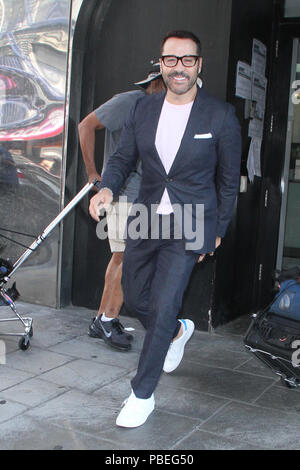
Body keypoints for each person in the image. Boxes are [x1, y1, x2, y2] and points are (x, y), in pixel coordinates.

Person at [89, 30, 241, 427]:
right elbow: (122, 158)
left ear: (199, 65)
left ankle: (142, 394)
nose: (178, 68)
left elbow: (227, 182)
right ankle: (176, 331)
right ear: (161, 63)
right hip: (146, 216)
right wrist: (106, 187)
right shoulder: (144, 109)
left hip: (191, 223)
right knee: (138, 297)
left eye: (187, 60)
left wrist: (217, 230)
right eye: (171, 60)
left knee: (166, 300)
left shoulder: (220, 115)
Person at [78, 65, 165, 352]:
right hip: (124, 195)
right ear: (153, 83)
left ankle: (101, 320)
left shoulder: (161, 111)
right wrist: (93, 174)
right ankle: (107, 319)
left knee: (120, 258)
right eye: (163, 83)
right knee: (129, 258)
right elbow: (86, 125)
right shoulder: (129, 102)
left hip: (142, 197)